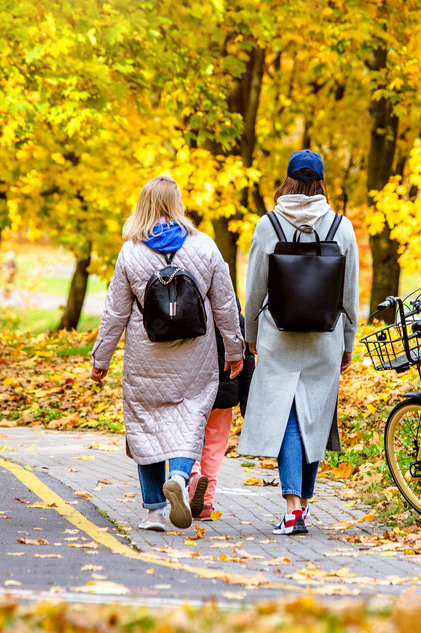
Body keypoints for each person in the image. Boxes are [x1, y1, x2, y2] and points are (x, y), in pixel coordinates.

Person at [90, 175, 244, 533]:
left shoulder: (130, 251)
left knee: (145, 427)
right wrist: (234, 351)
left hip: (146, 356)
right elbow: (224, 305)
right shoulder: (204, 246)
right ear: (178, 204)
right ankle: (178, 475)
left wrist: (101, 358)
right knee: (189, 420)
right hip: (195, 355)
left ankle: (154, 512)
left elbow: (115, 313)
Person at [237, 150, 359, 536]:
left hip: (278, 334)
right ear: (321, 183)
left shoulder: (268, 225)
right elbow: (350, 293)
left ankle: (293, 509)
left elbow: (255, 288)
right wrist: (348, 341)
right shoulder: (341, 226)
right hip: (326, 335)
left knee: (288, 415)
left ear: (287, 181)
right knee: (314, 415)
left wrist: (251, 335)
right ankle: (300, 506)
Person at [188, 298, 256, 521]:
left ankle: (193, 477)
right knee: (215, 448)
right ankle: (206, 502)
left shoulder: (185, 303)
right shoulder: (231, 309)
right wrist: (248, 401)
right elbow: (246, 355)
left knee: (187, 440)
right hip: (224, 390)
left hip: (190, 390)